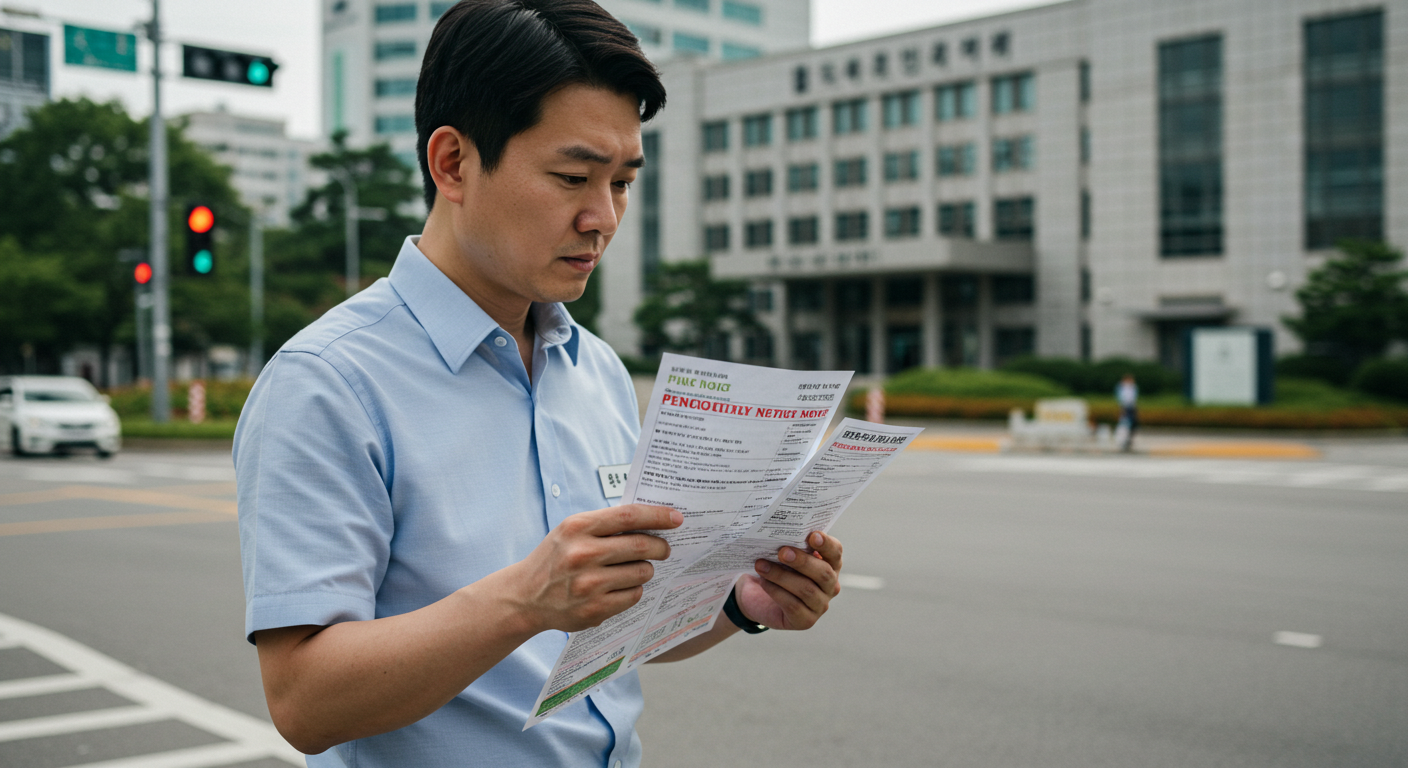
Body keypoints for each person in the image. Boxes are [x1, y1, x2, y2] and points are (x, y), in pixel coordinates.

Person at [232, 1, 844, 766]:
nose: (603, 218)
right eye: (571, 177)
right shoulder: (327, 385)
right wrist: (524, 600)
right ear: (452, 163)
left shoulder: (597, 371)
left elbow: (615, 632)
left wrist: (738, 603)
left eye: (622, 182)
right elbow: (304, 701)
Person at [1116, 373, 1139, 451]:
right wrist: (1122, 409)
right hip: (1125, 408)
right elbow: (1122, 399)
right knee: (1125, 425)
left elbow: (1134, 399)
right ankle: (1123, 441)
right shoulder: (1121, 388)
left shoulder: (1133, 387)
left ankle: (1129, 440)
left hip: (1132, 407)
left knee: (1133, 425)